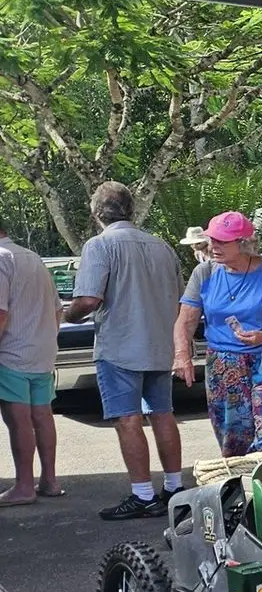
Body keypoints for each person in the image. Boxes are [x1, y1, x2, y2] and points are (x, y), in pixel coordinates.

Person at [67, 182, 185, 520]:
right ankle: (175, 487)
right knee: (163, 413)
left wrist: (67, 314)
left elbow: (89, 299)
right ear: (131, 209)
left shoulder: (100, 245)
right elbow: (179, 297)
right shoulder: (161, 246)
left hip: (120, 346)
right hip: (158, 343)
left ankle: (143, 494)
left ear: (96, 214)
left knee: (127, 419)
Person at [175, 212, 262, 458]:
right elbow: (186, 320)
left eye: (223, 241)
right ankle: (244, 493)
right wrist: (182, 355)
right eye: (212, 239)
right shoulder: (204, 273)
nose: (214, 246)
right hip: (226, 366)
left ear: (243, 242)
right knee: (234, 442)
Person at [0, 216, 60, 505]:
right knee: (42, 415)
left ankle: (24, 485)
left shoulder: (1, 259)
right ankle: (49, 480)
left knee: (18, 420)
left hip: (11, 352)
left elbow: (0, 313)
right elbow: (57, 309)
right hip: (42, 351)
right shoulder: (33, 257)